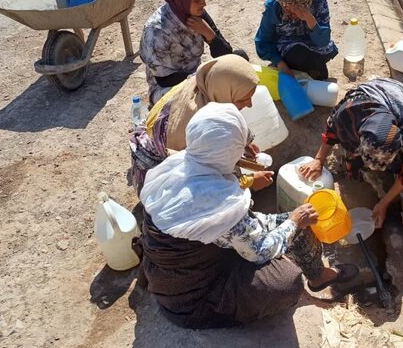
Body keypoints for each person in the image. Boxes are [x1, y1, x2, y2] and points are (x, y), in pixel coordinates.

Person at [139, 102, 358, 329]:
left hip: (184, 262)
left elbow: (224, 184)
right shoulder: (219, 204)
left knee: (295, 226)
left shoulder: (181, 164)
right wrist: (293, 221)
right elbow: (258, 250)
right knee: (287, 281)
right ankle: (261, 296)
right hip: (194, 293)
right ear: (225, 153)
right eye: (238, 146)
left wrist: (241, 161)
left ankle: (318, 275)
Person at [299, 78, 403, 229]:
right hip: (380, 91)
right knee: (352, 154)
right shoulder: (352, 108)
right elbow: (332, 128)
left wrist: (383, 204)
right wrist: (319, 159)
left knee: (400, 165)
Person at [127, 54, 271, 196]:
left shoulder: (204, 83)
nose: (250, 104)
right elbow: (205, 184)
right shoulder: (198, 122)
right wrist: (247, 181)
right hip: (159, 183)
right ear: (225, 92)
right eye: (242, 100)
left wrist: (245, 140)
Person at [139, 0, 248, 105]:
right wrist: (202, 78)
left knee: (240, 60)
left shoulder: (197, 13)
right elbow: (164, 79)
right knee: (205, 98)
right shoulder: (156, 31)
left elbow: (226, 54)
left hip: (196, 75)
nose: (204, 3)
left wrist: (208, 33)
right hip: (168, 89)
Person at [254, 0, 338, 80]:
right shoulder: (274, 6)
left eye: (296, 9)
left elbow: (323, 41)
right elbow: (263, 41)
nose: (291, 13)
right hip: (288, 49)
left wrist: (309, 19)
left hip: (313, 46)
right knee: (296, 55)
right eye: (287, 7)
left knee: (321, 75)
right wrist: (279, 63)